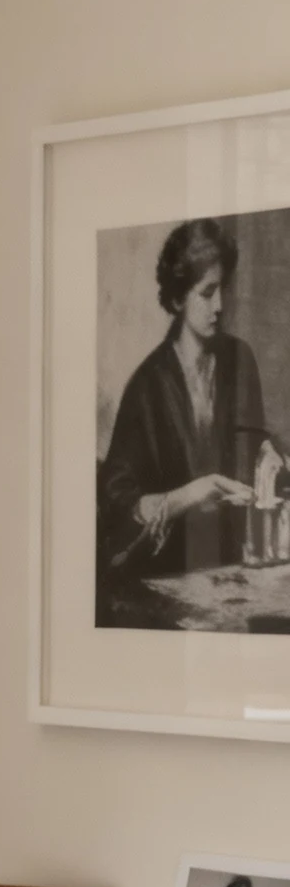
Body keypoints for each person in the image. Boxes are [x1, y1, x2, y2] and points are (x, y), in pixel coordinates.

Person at [97, 219, 275, 604]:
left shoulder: (239, 359)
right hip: (169, 579)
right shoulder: (147, 386)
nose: (221, 306)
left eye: (223, 290)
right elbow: (116, 502)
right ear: (178, 298)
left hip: (236, 572)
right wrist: (191, 494)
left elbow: (255, 445)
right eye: (207, 293)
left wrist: (270, 456)